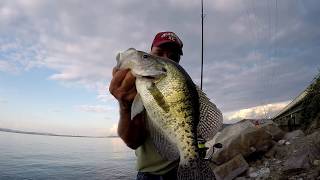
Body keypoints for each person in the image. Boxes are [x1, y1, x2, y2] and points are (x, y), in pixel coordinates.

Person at [109, 31, 222, 180]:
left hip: (178, 168)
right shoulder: (137, 88)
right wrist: (125, 105)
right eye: (159, 53)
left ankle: (191, 162)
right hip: (149, 175)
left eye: (174, 57)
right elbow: (133, 141)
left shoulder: (180, 85)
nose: (166, 58)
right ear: (151, 52)